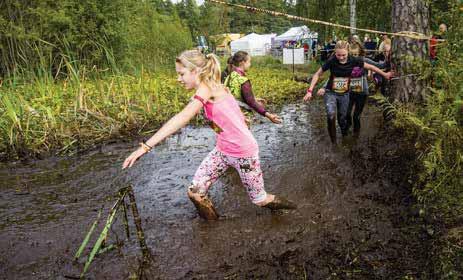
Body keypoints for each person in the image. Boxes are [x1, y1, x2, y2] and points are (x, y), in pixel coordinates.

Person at [122, 50, 295, 220]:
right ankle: (213, 228)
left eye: (181, 74)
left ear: (195, 71)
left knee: (260, 200)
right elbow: (231, 109)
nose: (178, 79)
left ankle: (293, 208)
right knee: (195, 192)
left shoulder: (207, 88)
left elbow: (183, 117)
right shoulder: (211, 87)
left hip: (244, 154)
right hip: (222, 150)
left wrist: (145, 147)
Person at [303, 40, 393, 143]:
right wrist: (310, 91)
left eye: (343, 55)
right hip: (331, 92)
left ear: (348, 52)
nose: (341, 58)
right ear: (335, 52)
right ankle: (334, 144)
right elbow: (317, 74)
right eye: (338, 55)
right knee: (331, 115)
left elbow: (371, 67)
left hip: (345, 94)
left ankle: (345, 136)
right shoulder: (332, 61)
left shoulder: (354, 60)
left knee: (343, 119)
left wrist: (385, 74)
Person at [319, 41, 388, 134]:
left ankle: (356, 136)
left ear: (360, 53)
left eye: (357, 54)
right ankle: (346, 133)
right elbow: (335, 77)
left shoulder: (363, 60)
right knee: (346, 115)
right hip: (349, 92)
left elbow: (380, 65)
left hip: (362, 92)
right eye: (352, 54)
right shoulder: (345, 61)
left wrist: (388, 55)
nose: (355, 56)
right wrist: (324, 87)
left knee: (356, 117)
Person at [224, 51, 282, 124]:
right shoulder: (243, 80)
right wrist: (269, 115)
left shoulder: (229, 76)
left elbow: (233, 96)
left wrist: (254, 98)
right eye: (249, 62)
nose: (250, 64)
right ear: (242, 62)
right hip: (242, 118)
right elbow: (252, 103)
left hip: (230, 116)